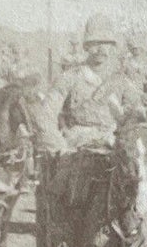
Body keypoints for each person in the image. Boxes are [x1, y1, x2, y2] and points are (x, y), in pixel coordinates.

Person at [39, 16, 139, 155]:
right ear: (86, 46)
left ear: (112, 47)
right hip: (76, 147)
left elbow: (138, 116)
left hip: (114, 145)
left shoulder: (121, 81)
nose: (101, 49)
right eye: (95, 43)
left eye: (106, 44)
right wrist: (59, 147)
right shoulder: (69, 78)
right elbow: (46, 114)